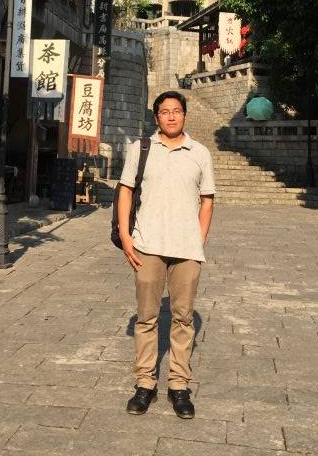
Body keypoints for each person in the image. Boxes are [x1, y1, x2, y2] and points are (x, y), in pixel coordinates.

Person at [117, 90, 215, 419]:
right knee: (147, 317)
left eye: (176, 111)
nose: (171, 116)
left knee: (183, 318)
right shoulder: (141, 148)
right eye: (164, 112)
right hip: (147, 246)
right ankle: (145, 383)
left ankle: (178, 385)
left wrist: (198, 239)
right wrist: (126, 237)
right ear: (156, 117)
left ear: (184, 115)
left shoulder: (200, 153)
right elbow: (126, 191)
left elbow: (207, 200)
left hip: (186, 250)